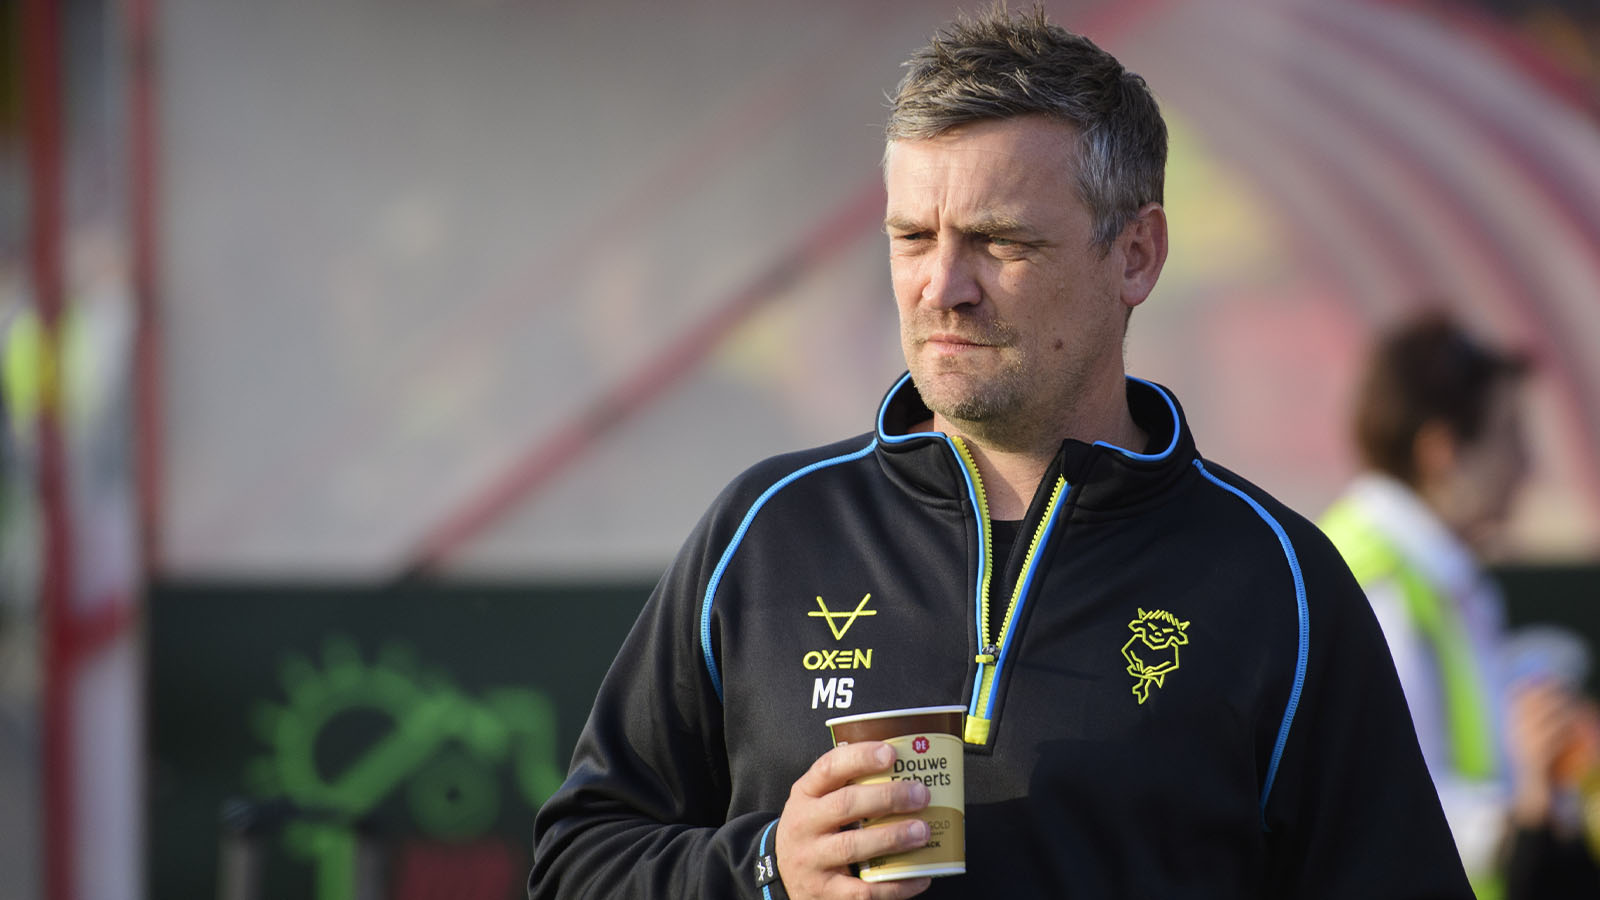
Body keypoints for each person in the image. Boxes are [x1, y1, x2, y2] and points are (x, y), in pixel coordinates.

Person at [529, 8, 1472, 898]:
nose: (944, 287)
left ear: (1136, 255)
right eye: (911, 238)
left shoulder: (1279, 579)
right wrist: (768, 869)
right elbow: (576, 862)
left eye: (1000, 242)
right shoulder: (766, 530)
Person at [1320, 311, 1600, 898]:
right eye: (1510, 436)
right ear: (1441, 451)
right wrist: (1528, 815)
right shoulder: (1380, 583)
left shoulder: (1435, 572)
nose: (1526, 467)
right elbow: (1390, 807)